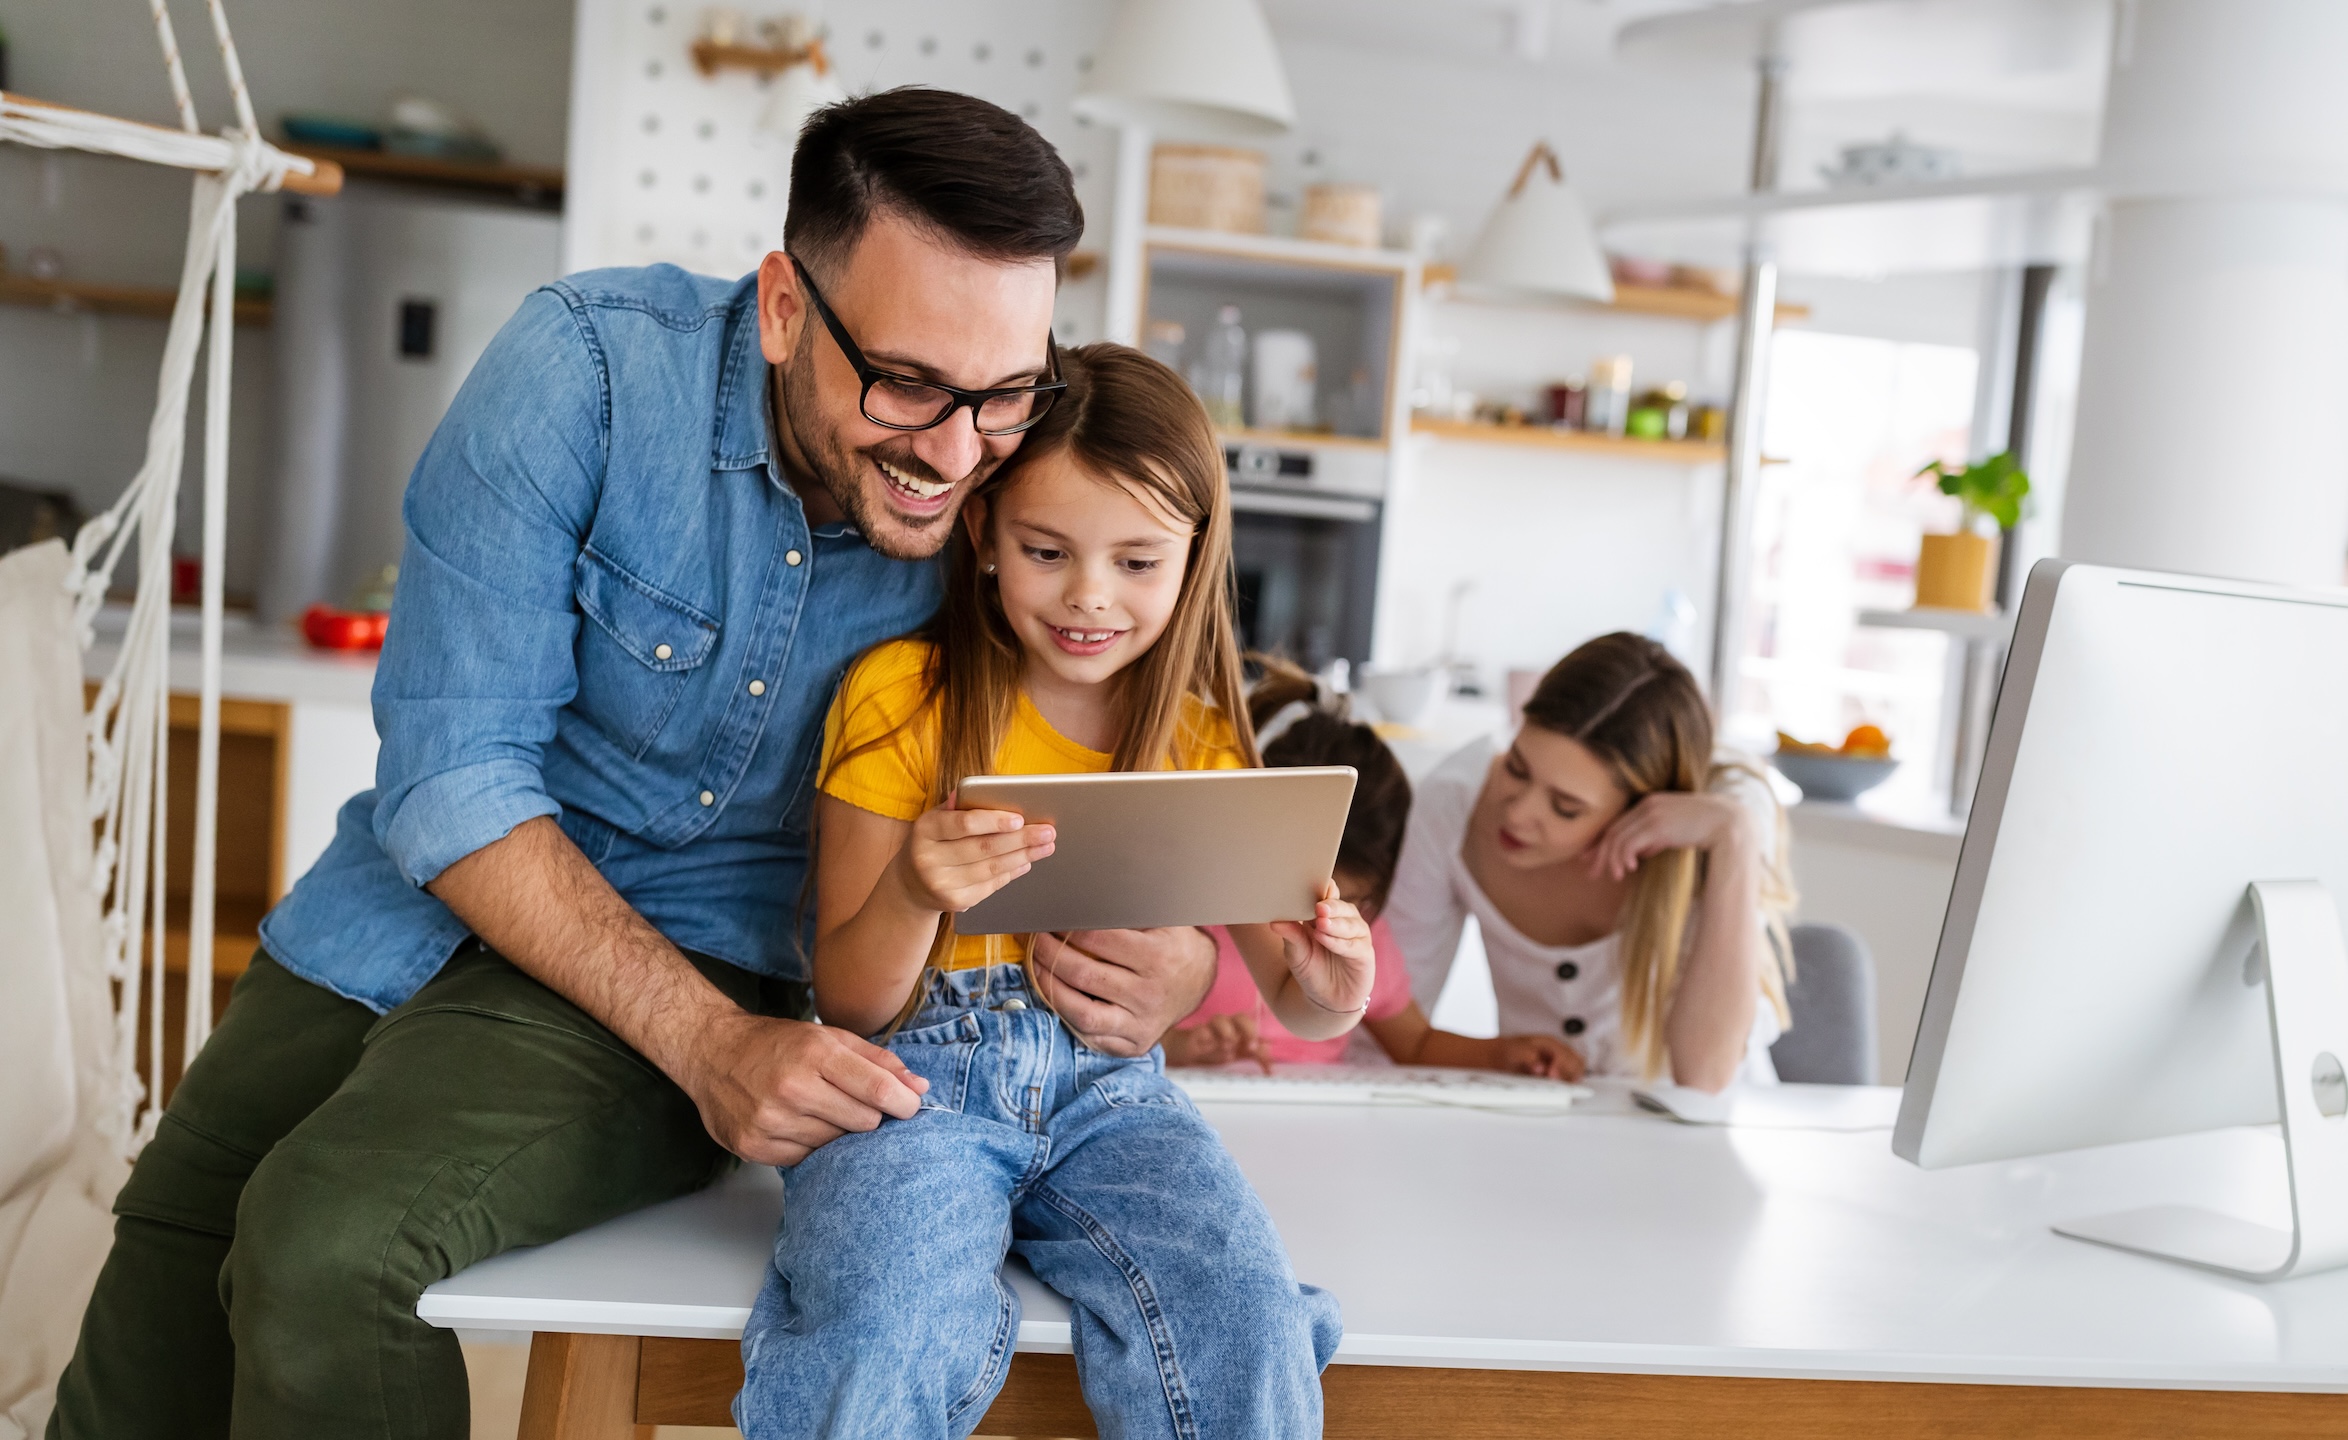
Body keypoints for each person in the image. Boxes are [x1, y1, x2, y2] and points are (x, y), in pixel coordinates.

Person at [47, 90, 1228, 1440]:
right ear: (787, 307)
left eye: (1005, 392)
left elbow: (1126, 711)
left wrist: (1182, 963)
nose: (956, 454)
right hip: (402, 915)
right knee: (164, 1278)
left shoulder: (1011, 490)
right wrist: (709, 1046)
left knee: (326, 1255)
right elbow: (453, 770)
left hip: (696, 967)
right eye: (906, 383)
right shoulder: (586, 373)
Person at [734, 345, 1366, 1438]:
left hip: (1115, 1102)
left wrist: (1334, 988)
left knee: (1245, 1316)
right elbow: (850, 1002)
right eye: (1046, 550)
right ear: (981, 533)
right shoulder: (900, 698)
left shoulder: (1203, 739)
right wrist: (914, 890)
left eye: (1135, 562)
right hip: (910, 1091)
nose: (1088, 596)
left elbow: (1294, 996)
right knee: (884, 1330)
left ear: (1194, 558)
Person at [1385, 634, 1796, 1092]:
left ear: (1640, 812)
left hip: (1715, 1126)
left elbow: (1704, 1078)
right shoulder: (1455, 801)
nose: (1518, 813)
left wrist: (1734, 838)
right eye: (1516, 767)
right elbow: (1389, 1012)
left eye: (1565, 807)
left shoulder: (1725, 816)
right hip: (1544, 1127)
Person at [1165, 658, 1582, 1077]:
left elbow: (1416, 1043)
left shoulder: (1362, 941)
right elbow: (1113, 1032)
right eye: (1294, 897)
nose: (1318, 924)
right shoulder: (1193, 916)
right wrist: (1182, 1046)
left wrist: (1501, 1054)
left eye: (1352, 901)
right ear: (1253, 842)